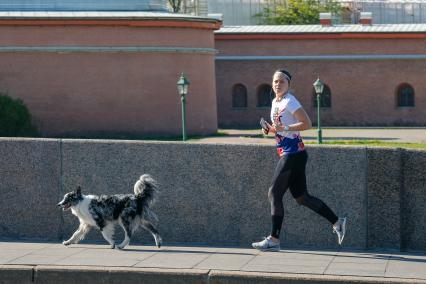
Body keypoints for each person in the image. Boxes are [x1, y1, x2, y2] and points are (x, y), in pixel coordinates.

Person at [252, 69, 347, 252]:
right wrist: (271, 129)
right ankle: (337, 222)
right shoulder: (275, 102)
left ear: (289, 84)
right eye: (275, 81)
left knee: (274, 193)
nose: (277, 84)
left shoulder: (290, 101)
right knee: (302, 197)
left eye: (281, 81)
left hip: (293, 153)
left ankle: (273, 239)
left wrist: (284, 127)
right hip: (291, 153)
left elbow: (307, 123)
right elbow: (281, 128)